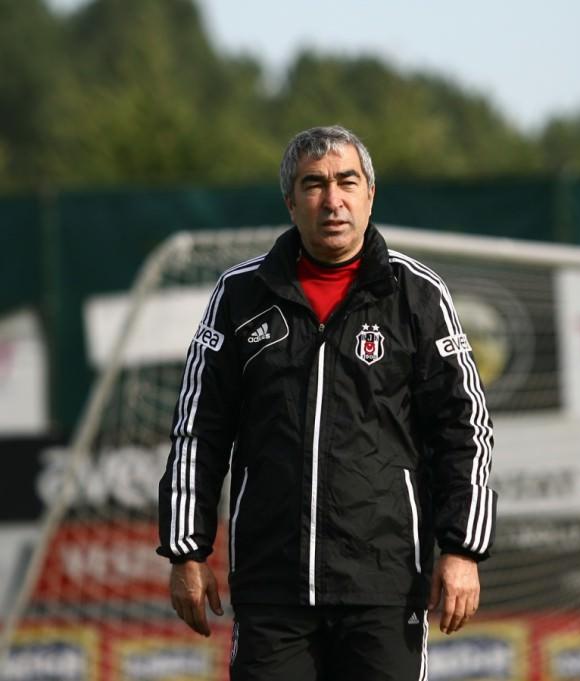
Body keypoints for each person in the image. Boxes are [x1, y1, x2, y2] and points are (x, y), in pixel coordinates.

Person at [158, 125, 497, 681]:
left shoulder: (417, 293)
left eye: (347, 181)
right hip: (273, 585)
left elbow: (465, 429)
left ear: (370, 195)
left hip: (384, 584)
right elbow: (198, 429)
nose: (332, 200)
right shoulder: (240, 294)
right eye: (314, 184)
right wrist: (186, 550)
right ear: (290, 202)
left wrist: (462, 549)